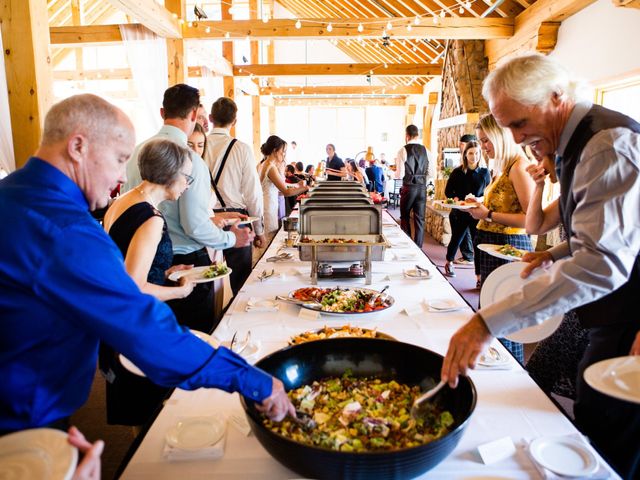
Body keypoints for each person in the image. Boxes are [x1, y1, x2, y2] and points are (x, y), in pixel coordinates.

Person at [0, 94, 295, 437]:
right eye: (119, 159)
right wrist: (253, 380)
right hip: (19, 418)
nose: (120, 177)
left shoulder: (13, 193)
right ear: (78, 146)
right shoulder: (65, 230)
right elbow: (144, 329)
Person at [441, 53, 640, 478]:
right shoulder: (575, 144)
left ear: (555, 97)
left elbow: (603, 263)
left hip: (629, 313)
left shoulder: (605, 144)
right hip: (611, 309)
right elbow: (601, 233)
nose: (516, 138)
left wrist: (487, 322)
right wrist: (554, 253)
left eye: (519, 124)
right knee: (594, 416)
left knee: (612, 439)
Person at [124, 84, 253, 332]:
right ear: (194, 115)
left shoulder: (136, 152)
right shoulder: (189, 159)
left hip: (142, 261)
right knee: (196, 337)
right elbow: (193, 224)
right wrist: (231, 238)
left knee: (157, 339)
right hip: (185, 264)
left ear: (162, 113)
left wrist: (215, 219)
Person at [101, 140, 196, 426]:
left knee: (131, 404)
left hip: (114, 318)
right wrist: (179, 291)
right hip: (137, 321)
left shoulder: (124, 200)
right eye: (187, 177)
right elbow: (134, 286)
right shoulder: (151, 218)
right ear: (169, 174)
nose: (188, 185)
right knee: (146, 409)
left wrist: (165, 271)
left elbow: (122, 260)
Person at [464, 113, 534, 362]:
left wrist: (488, 213)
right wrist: (481, 204)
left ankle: (510, 369)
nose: (483, 147)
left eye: (486, 141)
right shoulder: (504, 166)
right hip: (491, 248)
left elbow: (530, 220)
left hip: (509, 249)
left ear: (500, 136)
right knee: (490, 315)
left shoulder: (520, 167)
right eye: (481, 142)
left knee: (504, 318)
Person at [204, 97, 265, 294]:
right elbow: (252, 192)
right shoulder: (241, 148)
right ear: (235, 121)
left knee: (207, 282)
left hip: (206, 219)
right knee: (242, 283)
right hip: (237, 219)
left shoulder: (197, 145)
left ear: (211, 118)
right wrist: (259, 229)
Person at [443, 141, 491, 283]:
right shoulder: (457, 172)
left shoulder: (484, 172)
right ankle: (449, 262)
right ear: (465, 155)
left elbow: (488, 194)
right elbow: (448, 192)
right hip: (459, 213)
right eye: (470, 153)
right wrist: (455, 198)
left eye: (476, 153)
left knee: (477, 244)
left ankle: (479, 276)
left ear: (480, 154)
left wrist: (479, 198)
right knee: (456, 239)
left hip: (477, 212)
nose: (474, 156)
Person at [258, 136, 309, 235]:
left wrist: (297, 185)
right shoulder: (270, 167)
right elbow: (286, 192)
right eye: (282, 151)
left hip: (267, 205)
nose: (283, 154)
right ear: (275, 150)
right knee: (269, 238)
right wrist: (305, 188)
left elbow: (282, 186)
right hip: (268, 207)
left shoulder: (264, 164)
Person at [395, 125, 429, 247]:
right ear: (417, 135)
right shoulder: (426, 150)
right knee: (419, 219)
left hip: (409, 187)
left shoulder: (402, 150)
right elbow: (431, 173)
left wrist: (395, 173)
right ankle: (418, 247)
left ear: (407, 135)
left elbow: (400, 174)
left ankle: (408, 245)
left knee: (404, 217)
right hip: (422, 188)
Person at [453, 133, 479, 264]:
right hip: (460, 204)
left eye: (462, 145)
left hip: (472, 206)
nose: (460, 147)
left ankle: (468, 256)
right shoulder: (461, 165)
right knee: (456, 220)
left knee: (468, 230)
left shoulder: (479, 167)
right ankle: (466, 254)